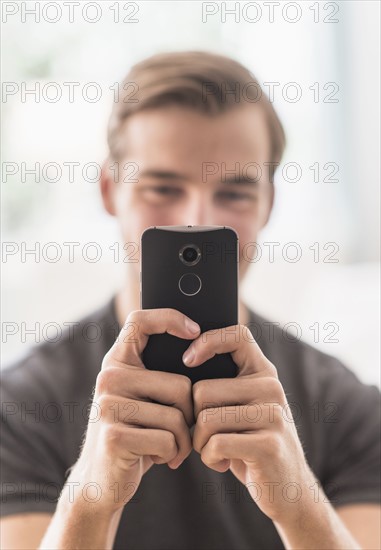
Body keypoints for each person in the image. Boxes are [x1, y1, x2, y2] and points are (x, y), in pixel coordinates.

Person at [1, 51, 380, 550]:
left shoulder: (348, 407)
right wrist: (89, 501)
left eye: (236, 193)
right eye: (163, 187)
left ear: (271, 201)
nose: (196, 218)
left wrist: (299, 503)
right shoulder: (21, 408)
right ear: (110, 191)